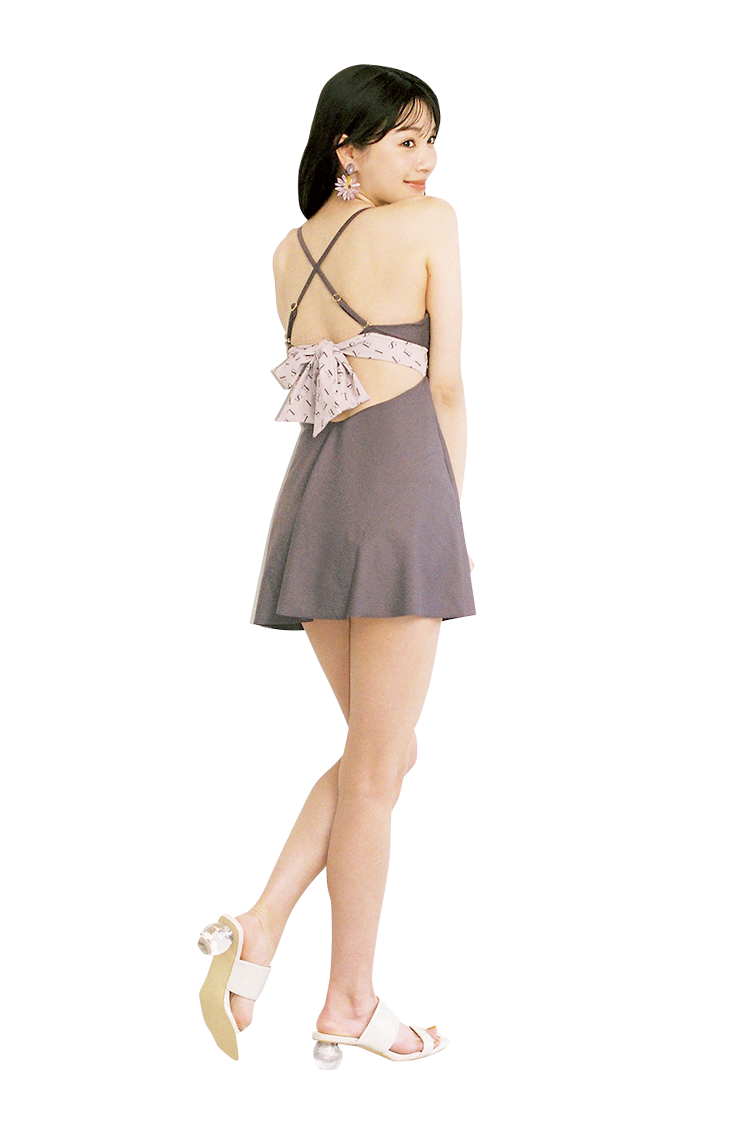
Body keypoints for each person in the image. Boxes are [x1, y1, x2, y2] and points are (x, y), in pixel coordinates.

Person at [198, 62, 476, 1068]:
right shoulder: (430, 224)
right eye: (405, 138)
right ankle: (350, 1000)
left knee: (381, 754)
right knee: (376, 768)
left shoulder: (288, 251)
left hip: (313, 509)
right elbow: (445, 385)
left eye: (432, 139)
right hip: (398, 503)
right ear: (345, 147)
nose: (428, 160)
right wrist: (448, 512)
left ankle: (259, 925)